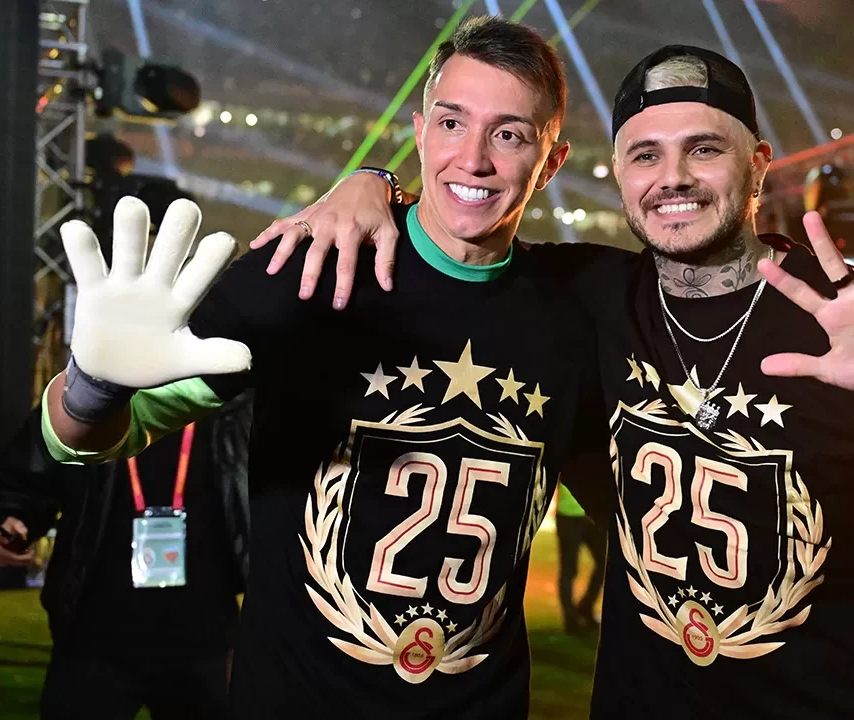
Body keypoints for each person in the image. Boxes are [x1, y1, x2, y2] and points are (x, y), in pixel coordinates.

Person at [259, 45, 854, 719]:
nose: (673, 177)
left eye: (705, 148)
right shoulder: (584, 297)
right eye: (645, 154)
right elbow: (461, 218)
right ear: (617, 171)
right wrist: (372, 187)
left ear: (758, 163)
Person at [38, 17, 611, 719]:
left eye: (511, 135)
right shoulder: (309, 270)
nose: (474, 158)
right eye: (452, 123)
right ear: (421, 132)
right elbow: (91, 437)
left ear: (551, 161)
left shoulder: (574, 312)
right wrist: (94, 385)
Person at [0, 395, 252, 720]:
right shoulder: (85, 394)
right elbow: (22, 476)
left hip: (206, 639)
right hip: (93, 637)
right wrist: (5, 519)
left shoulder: (234, 404)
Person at [553, 482, 605, 635]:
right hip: (568, 515)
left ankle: (585, 607)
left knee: (605, 562)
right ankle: (570, 619)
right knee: (569, 569)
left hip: (593, 514)